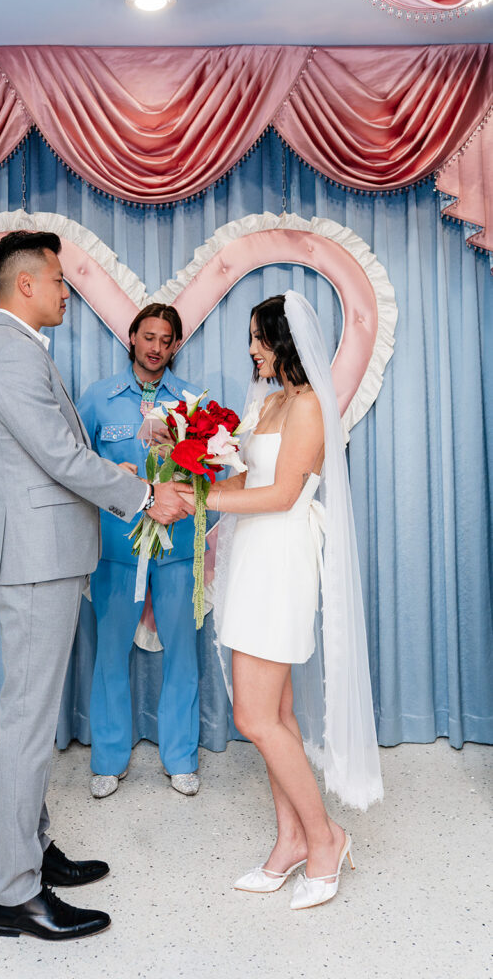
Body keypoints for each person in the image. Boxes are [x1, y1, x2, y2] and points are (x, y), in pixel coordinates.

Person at [0, 231, 188, 941]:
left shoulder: (16, 350)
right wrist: (143, 495)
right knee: (28, 728)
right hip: (34, 562)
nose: (67, 292)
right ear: (25, 283)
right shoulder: (8, 356)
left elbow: (61, 458)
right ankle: (13, 893)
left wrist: (129, 480)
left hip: (47, 556)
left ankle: (33, 853)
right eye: (59, 281)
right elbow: (62, 457)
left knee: (31, 722)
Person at [178, 291, 382, 910]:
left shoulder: (311, 407)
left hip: (281, 559)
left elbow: (283, 495)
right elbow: (243, 478)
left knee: (255, 718)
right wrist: (180, 472)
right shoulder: (269, 403)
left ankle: (326, 838)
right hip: (250, 562)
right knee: (280, 716)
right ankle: (290, 839)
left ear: (285, 343)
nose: (250, 350)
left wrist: (199, 504)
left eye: (259, 339)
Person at [77, 304, 203, 799]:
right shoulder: (98, 398)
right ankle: (108, 760)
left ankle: (181, 759)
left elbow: (212, 469)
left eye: (165, 339)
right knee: (109, 654)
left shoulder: (192, 402)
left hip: (176, 549)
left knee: (183, 655)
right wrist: (116, 480)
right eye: (147, 336)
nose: (155, 347)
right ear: (132, 337)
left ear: (175, 346)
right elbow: (75, 463)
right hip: (117, 547)